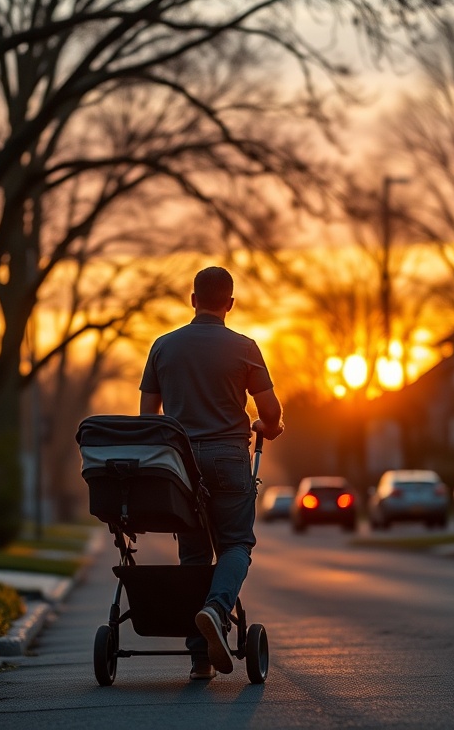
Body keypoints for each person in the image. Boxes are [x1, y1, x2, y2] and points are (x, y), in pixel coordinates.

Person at [139, 266, 284, 680]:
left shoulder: (163, 347)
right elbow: (269, 412)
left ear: (192, 299)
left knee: (194, 554)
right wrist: (267, 428)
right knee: (237, 543)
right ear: (230, 304)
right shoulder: (244, 347)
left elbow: (148, 419)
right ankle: (217, 609)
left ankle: (200, 660)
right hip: (228, 457)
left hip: (180, 463)